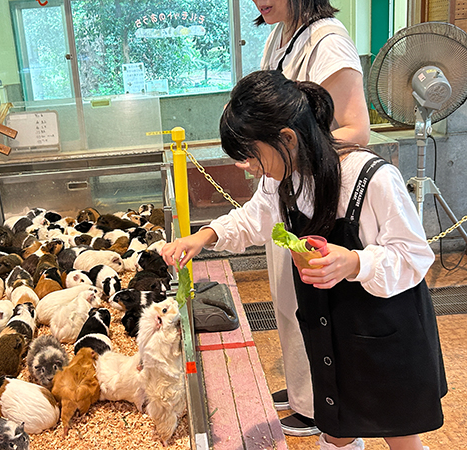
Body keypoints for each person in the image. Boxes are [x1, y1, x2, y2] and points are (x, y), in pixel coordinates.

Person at [161, 70, 446, 450]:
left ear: (288, 139)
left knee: (399, 435)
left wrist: (355, 262)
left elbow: (413, 257)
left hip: (384, 332)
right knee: (335, 427)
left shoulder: (371, 177)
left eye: (251, 153)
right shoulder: (284, 180)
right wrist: (205, 236)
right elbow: (255, 217)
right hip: (328, 327)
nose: (248, 166)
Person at [243, 0, 371, 435]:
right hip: (286, 187)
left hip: (319, 195)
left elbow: (356, 128)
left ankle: (323, 405)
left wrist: (283, 153)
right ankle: (305, 393)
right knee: (286, 297)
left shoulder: (328, 40)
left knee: (312, 300)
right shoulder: (278, 35)